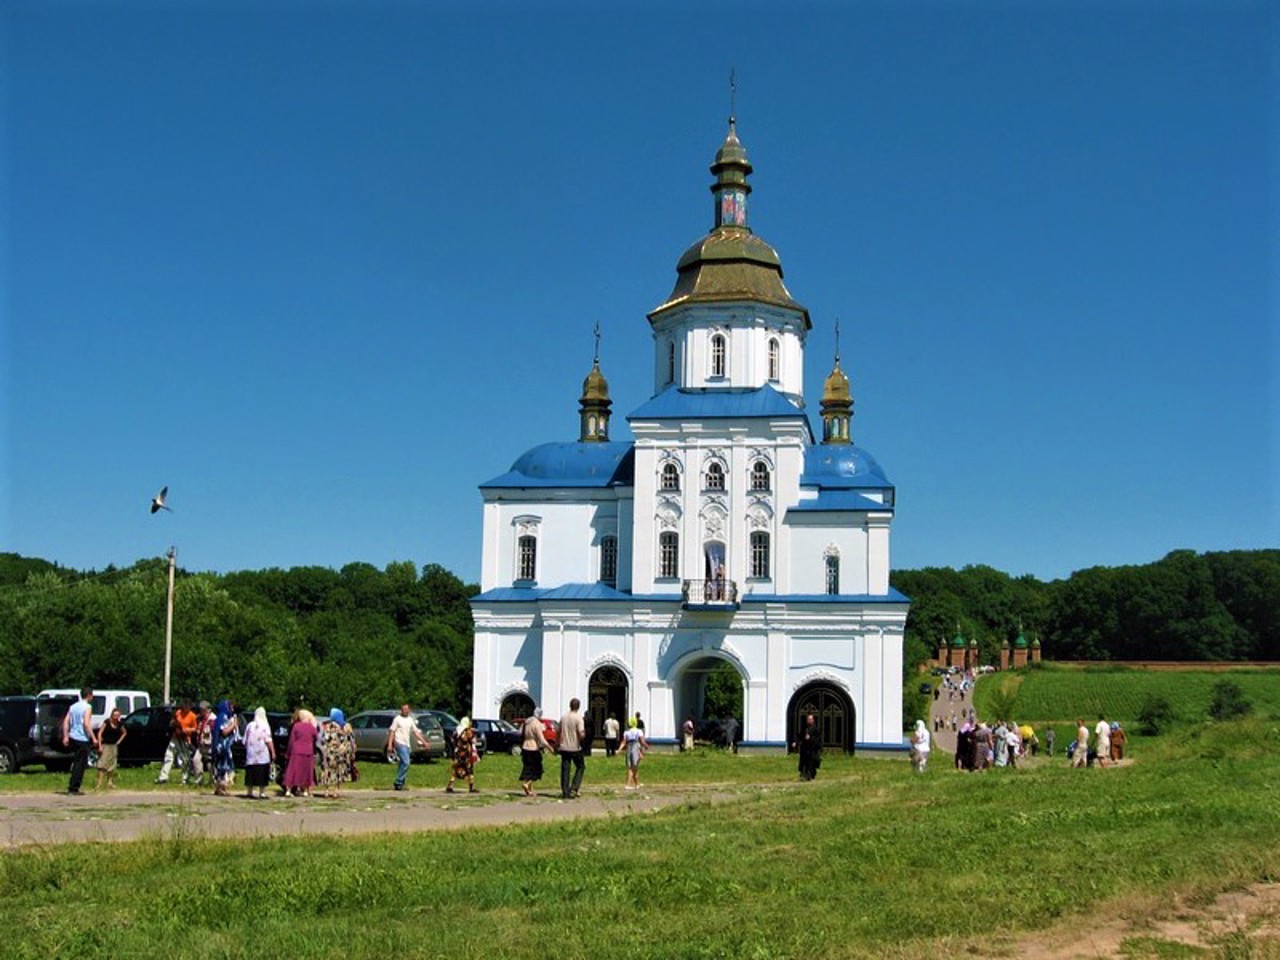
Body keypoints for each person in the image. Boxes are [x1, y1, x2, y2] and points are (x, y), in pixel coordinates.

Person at [386, 703, 431, 792]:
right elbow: (392, 731)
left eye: (407, 709)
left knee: (402, 763)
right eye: (403, 709)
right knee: (406, 762)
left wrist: (424, 742)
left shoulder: (410, 720)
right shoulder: (397, 719)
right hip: (399, 743)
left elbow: (416, 732)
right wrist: (390, 744)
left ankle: (400, 784)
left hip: (407, 744)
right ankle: (398, 781)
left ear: (409, 710)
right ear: (401, 710)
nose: (405, 711)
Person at [61, 687, 94, 796]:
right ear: (89, 695)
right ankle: (74, 787)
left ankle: (74, 786)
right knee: (80, 764)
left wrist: (65, 736)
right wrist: (93, 737)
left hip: (72, 737)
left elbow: (66, 722)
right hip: (82, 738)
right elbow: (86, 723)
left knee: (77, 762)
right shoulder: (88, 707)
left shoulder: (73, 707)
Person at [155, 700, 197, 785]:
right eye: (184, 706)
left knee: (184, 759)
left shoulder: (192, 716)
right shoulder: (178, 713)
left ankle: (185, 779)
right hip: (175, 738)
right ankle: (163, 777)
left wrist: (186, 730)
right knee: (168, 756)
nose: (185, 708)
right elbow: (173, 723)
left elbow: (195, 728)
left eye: (187, 706)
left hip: (185, 739)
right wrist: (173, 724)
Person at [318, 708, 355, 799]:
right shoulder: (346, 726)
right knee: (339, 771)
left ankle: (326, 791)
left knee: (327, 771)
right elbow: (351, 739)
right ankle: (336, 791)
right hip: (342, 752)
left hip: (330, 752)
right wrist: (352, 751)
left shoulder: (327, 726)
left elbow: (324, 739)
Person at [282, 708, 319, 797]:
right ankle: (306, 790)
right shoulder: (311, 727)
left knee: (293, 770)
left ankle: (288, 790)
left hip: (296, 751)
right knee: (306, 771)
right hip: (308, 751)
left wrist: (288, 752)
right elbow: (316, 737)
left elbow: (291, 740)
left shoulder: (296, 726)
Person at [242, 706, 276, 800]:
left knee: (250, 773)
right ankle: (262, 793)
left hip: (251, 755)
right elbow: (268, 740)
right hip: (262, 755)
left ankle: (249, 792)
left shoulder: (249, 725)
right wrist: (273, 752)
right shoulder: (265, 725)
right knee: (262, 773)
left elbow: (244, 740)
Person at [519, 709, 552, 796]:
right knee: (537, 769)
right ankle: (527, 784)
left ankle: (529, 791)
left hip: (525, 747)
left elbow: (520, 733)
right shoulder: (536, 723)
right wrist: (549, 747)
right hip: (533, 748)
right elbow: (541, 739)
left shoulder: (527, 722)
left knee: (527, 768)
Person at [558, 697, 586, 799]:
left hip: (564, 746)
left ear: (570, 705)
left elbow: (559, 731)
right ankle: (574, 787)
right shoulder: (578, 718)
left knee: (565, 769)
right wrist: (583, 738)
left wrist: (558, 744)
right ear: (578, 707)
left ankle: (565, 791)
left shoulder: (564, 717)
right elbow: (581, 733)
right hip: (575, 747)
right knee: (580, 766)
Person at [95, 707, 127, 790]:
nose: (116, 717)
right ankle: (99, 783)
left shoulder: (120, 724)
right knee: (102, 765)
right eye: (114, 715)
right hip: (105, 745)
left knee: (112, 765)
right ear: (112, 715)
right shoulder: (107, 722)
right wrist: (100, 746)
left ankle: (110, 782)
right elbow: (99, 733)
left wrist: (119, 741)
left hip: (114, 746)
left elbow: (124, 733)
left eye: (118, 715)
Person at [211, 700, 239, 796]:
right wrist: (233, 724)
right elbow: (224, 731)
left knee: (224, 767)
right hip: (222, 746)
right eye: (230, 707)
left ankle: (221, 787)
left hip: (226, 746)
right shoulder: (223, 716)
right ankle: (221, 788)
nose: (232, 709)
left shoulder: (224, 716)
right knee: (223, 767)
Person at [446, 717, 481, 793]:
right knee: (470, 770)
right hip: (466, 754)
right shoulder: (467, 731)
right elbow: (473, 740)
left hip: (458, 752)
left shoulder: (456, 730)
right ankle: (471, 787)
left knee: (456, 769)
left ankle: (450, 785)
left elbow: (452, 740)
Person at [622, 716, 648, 789]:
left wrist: (619, 749)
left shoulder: (626, 732)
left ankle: (637, 784)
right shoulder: (639, 731)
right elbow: (642, 741)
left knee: (633, 767)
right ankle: (628, 784)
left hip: (629, 748)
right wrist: (646, 746)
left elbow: (624, 742)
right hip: (635, 748)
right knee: (633, 767)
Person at [795, 713, 821, 781]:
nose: (809, 720)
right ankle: (804, 774)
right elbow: (800, 736)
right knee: (804, 762)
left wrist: (811, 738)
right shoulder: (804, 728)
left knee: (811, 763)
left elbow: (818, 739)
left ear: (813, 720)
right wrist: (796, 743)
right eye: (808, 719)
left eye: (810, 719)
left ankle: (811, 775)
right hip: (804, 749)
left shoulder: (816, 729)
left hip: (812, 749)